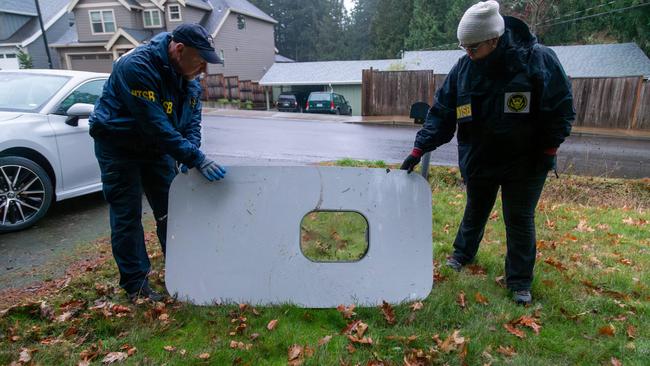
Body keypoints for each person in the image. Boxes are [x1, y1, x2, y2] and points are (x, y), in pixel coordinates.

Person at [400, 1, 574, 304]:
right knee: (475, 209)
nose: (467, 53)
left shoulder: (537, 60)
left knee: (518, 218)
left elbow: (561, 109)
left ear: (493, 39)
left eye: (473, 47)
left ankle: (519, 281)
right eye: (463, 47)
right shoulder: (464, 69)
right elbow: (442, 112)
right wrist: (419, 148)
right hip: (480, 157)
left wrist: (549, 148)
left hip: (526, 161)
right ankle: (462, 254)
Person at [89, 24, 227, 302]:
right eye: (200, 60)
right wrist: (195, 158)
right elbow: (155, 125)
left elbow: (192, 124)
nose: (203, 69)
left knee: (172, 211)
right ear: (179, 50)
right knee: (127, 215)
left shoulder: (189, 80)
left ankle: (182, 270)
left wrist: (191, 153)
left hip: (156, 147)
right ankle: (136, 285)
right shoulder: (136, 66)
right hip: (119, 145)